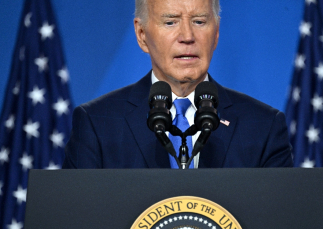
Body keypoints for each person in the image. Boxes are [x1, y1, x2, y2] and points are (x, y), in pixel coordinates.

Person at [63, 0, 293, 169]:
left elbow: (276, 226)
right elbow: (80, 222)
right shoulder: (96, 123)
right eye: (171, 22)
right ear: (142, 34)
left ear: (216, 33)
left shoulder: (264, 127)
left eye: (199, 21)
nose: (187, 36)